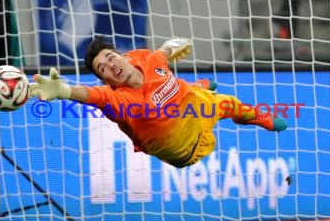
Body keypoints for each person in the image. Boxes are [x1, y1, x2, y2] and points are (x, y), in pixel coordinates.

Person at [28, 36, 288, 168]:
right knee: (209, 105)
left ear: (123, 56)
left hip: (193, 106)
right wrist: (62, 90)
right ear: (106, 80)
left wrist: (172, 44)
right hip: (188, 149)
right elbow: (89, 95)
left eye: (110, 57)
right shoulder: (116, 99)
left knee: (230, 103)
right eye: (102, 68)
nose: (110, 65)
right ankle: (197, 87)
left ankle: (257, 117)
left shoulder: (147, 59)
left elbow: (161, 54)